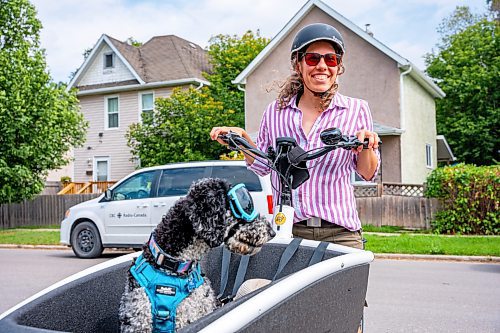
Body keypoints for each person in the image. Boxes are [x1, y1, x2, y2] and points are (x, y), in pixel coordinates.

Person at [210, 23, 380, 250]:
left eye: (330, 59)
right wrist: (241, 139)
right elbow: (263, 165)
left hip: (341, 233)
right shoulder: (275, 112)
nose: (322, 66)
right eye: (312, 59)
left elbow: (367, 173)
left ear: (338, 66)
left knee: (343, 288)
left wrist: (367, 145)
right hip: (290, 231)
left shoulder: (356, 110)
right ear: (298, 64)